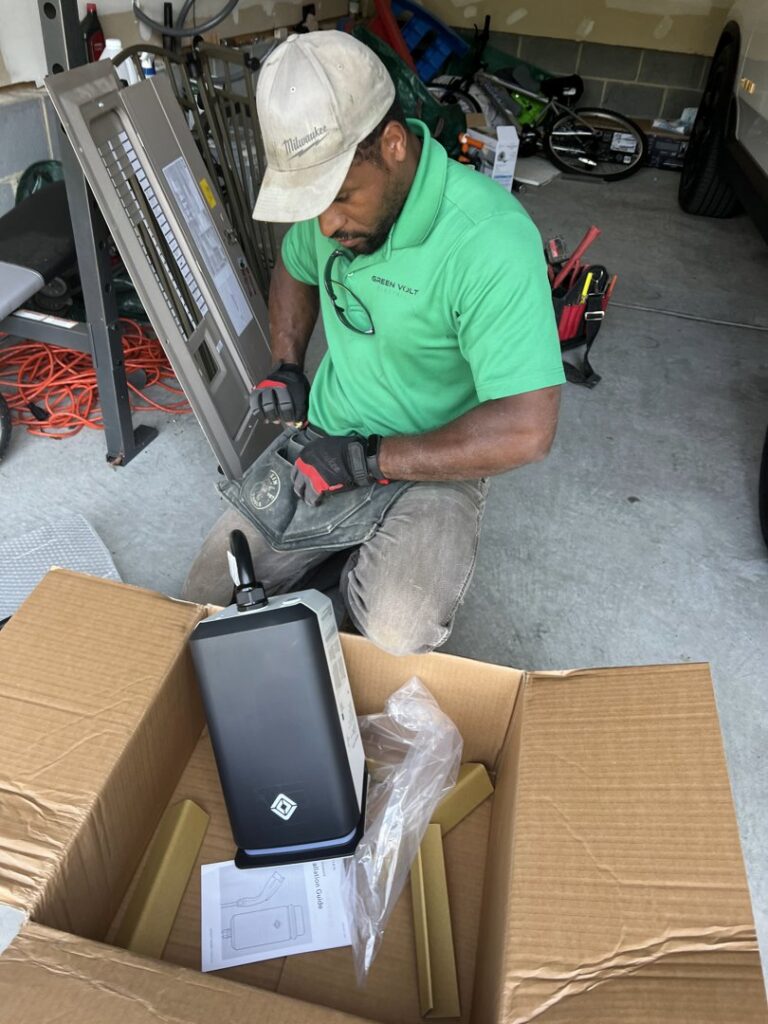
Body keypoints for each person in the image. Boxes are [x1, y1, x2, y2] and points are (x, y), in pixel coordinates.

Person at [182, 30, 565, 655]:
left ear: (392, 145)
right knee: (202, 598)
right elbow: (293, 266)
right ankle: (336, 567)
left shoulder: (488, 240)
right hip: (323, 441)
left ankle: (350, 575)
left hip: (433, 464)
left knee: (393, 633)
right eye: (314, 207)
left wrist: (370, 459)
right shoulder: (331, 224)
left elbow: (527, 429)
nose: (328, 225)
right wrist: (287, 360)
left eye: (339, 198)